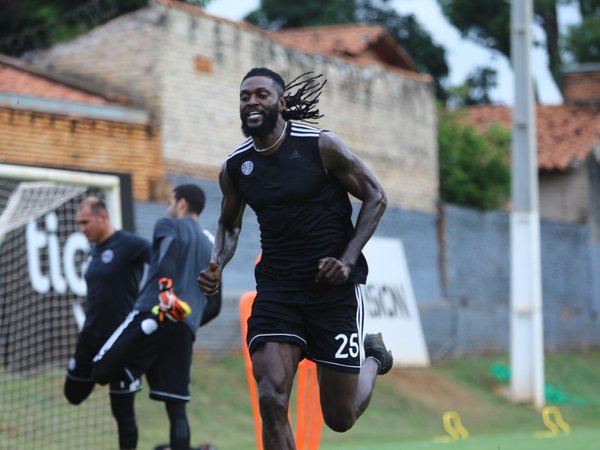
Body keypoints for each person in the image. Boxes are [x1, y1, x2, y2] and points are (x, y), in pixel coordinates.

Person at [198, 67, 393, 450]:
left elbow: (376, 196)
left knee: (339, 418)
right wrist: (217, 261)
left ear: (281, 104)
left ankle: (373, 359)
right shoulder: (236, 167)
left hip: (332, 291)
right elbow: (229, 225)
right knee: (271, 398)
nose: (251, 102)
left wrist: (347, 259)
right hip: (278, 291)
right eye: (244, 96)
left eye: (261, 95)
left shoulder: (321, 146)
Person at [92, 184, 219, 450]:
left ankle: (150, 325)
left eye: (170, 201)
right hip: (183, 328)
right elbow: (215, 305)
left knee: (101, 369)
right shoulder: (212, 244)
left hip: (153, 311)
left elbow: (168, 254)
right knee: (176, 407)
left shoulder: (168, 224)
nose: (167, 207)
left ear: (182, 203)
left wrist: (165, 290)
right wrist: (189, 323)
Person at [64, 196, 151, 450]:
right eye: (79, 223)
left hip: (120, 341)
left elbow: (159, 261)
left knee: (122, 411)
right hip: (90, 336)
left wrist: (147, 301)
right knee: (73, 394)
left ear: (103, 218)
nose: (82, 228)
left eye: (85, 222)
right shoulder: (95, 250)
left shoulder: (129, 244)